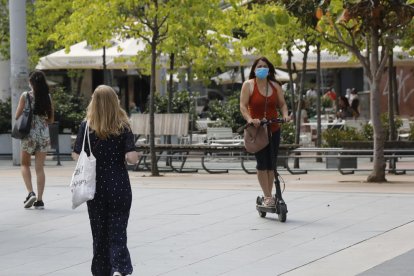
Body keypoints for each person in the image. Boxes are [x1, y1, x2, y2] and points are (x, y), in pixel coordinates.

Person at [72, 85, 138, 276]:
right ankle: (119, 268)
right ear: (114, 101)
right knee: (118, 231)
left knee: (99, 234)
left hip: (95, 188)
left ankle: (102, 272)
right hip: (119, 186)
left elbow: (77, 155)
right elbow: (132, 158)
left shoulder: (86, 127)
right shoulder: (123, 126)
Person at [240, 57, 290, 207]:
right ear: (254, 69)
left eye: (265, 66)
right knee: (262, 163)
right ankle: (268, 196)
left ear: (269, 70)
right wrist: (250, 119)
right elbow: (243, 106)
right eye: (259, 66)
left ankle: (269, 197)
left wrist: (286, 115)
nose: (262, 68)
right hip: (257, 130)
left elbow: (282, 104)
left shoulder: (275, 86)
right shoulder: (248, 85)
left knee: (272, 164)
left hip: (273, 128)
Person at [15, 70, 54, 209]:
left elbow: (17, 115)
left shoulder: (25, 96)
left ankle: (30, 193)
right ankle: (40, 200)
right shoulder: (48, 97)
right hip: (43, 135)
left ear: (31, 82)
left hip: (29, 134)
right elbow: (51, 119)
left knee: (24, 164)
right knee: (39, 168)